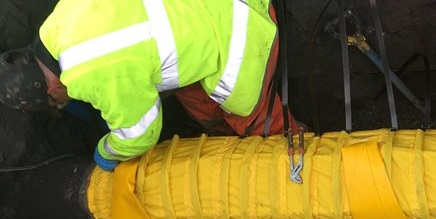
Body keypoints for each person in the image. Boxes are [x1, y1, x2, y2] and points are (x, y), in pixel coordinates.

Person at [0, 0, 301, 171]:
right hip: (206, 10)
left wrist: (107, 151)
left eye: (58, 102)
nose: (63, 101)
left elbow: (141, 135)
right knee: (197, 102)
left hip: (239, 33)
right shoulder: (58, 21)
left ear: (52, 91)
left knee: (250, 118)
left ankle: (298, 153)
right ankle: (228, 147)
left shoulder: (90, 73)